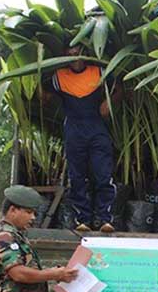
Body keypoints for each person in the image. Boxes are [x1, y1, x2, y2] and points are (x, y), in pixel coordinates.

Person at [44, 44, 121, 233]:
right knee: (77, 177)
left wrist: (108, 103)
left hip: (97, 127)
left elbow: (119, 87)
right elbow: (43, 92)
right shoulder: (58, 77)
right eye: (69, 55)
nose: (74, 58)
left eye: (77, 54)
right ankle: (83, 220)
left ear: (85, 54)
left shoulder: (99, 71)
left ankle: (105, 219)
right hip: (73, 129)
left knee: (103, 174)